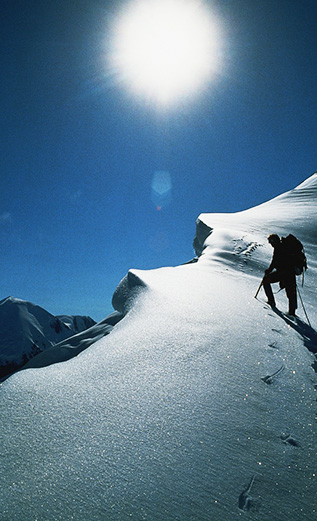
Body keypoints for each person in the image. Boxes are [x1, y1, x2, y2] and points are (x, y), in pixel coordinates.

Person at [263, 233, 297, 315]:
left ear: (274, 240)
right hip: (290, 274)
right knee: (291, 293)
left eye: (271, 242)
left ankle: (271, 301)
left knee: (266, 281)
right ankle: (292, 312)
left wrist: (269, 270)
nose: (270, 244)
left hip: (282, 273)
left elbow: (275, 261)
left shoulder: (279, 248)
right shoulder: (284, 246)